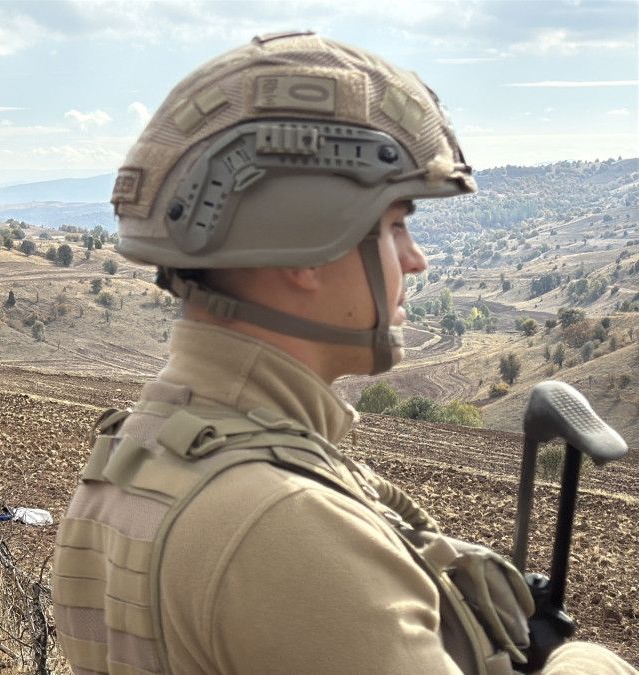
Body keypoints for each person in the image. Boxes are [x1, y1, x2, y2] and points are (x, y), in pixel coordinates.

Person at [51, 32, 633, 675]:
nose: (415, 258)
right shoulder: (283, 525)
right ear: (306, 247)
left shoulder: (134, 457)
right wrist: (582, 660)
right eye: (394, 225)